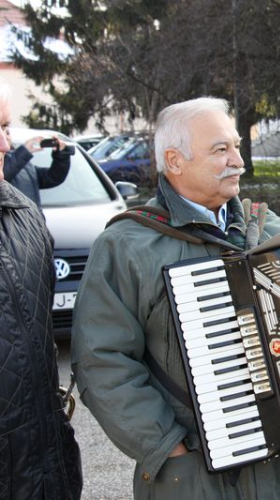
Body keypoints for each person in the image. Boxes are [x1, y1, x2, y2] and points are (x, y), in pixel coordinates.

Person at [71, 96, 280, 500]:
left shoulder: (272, 228)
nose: (238, 160)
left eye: (236, 146)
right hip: (195, 478)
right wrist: (169, 448)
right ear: (175, 161)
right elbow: (101, 362)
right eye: (220, 149)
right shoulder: (126, 247)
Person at [0, 83, 83, 499]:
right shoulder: (17, 162)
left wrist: (63, 152)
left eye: (6, 127)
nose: (4, 142)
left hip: (44, 472)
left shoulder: (25, 218)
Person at [1, 125, 73, 206]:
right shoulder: (20, 158)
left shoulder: (23, 164)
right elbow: (5, 175)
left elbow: (52, 178)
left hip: (30, 218)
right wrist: (24, 151)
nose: (4, 136)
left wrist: (61, 155)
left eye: (7, 132)